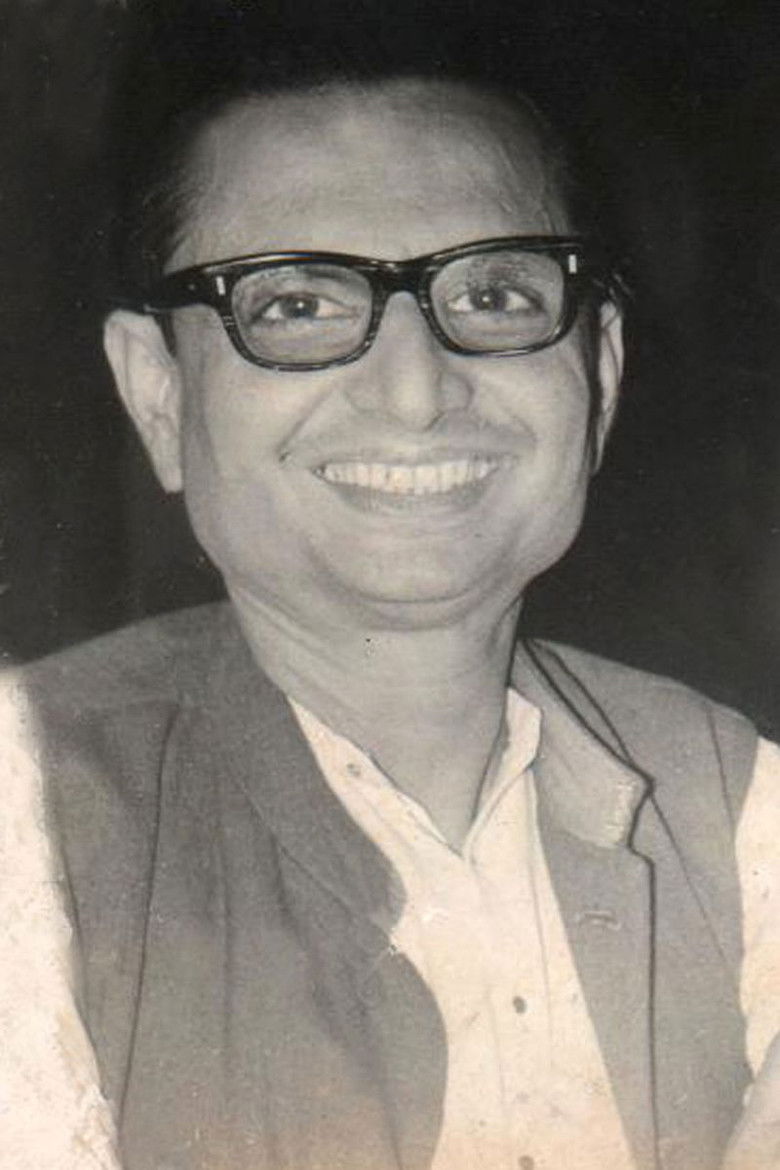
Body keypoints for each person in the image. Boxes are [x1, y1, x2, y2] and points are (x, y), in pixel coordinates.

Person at [7, 45, 780, 1170]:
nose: (416, 393)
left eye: (495, 295)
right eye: (297, 304)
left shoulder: (733, 794)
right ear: (159, 394)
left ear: (601, 375)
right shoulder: (27, 816)